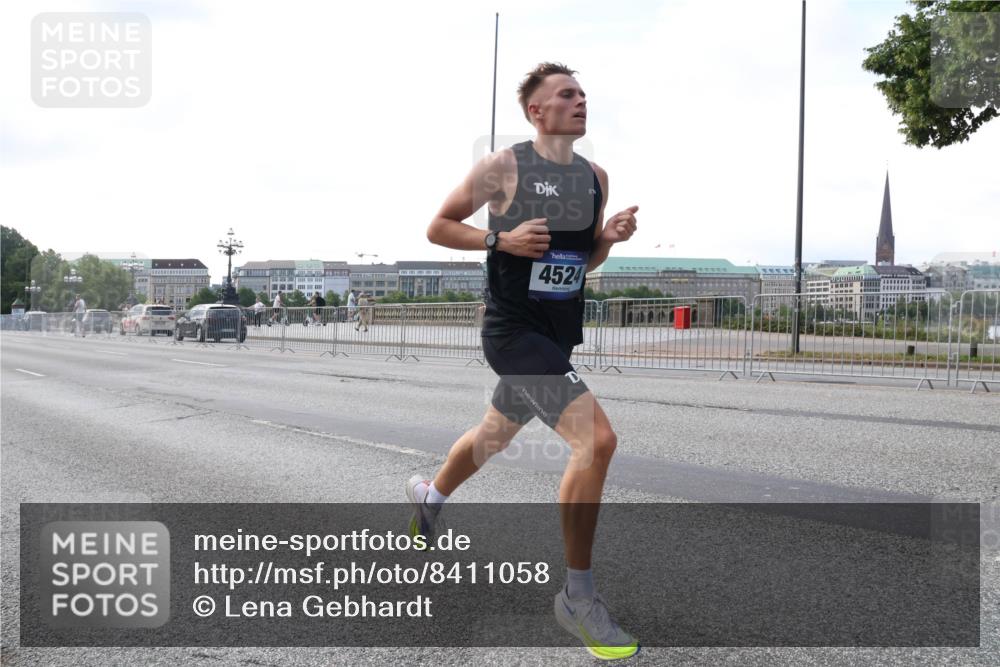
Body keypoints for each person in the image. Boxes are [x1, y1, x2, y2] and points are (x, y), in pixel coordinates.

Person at [405, 62, 639, 660]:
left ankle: (429, 499)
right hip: (511, 332)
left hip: (556, 335)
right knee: (598, 441)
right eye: (567, 94)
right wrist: (497, 240)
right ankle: (577, 597)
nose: (581, 100)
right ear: (537, 111)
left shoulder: (594, 177)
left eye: (584, 93)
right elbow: (437, 226)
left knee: (491, 436)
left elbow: (581, 265)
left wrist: (606, 239)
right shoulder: (503, 167)